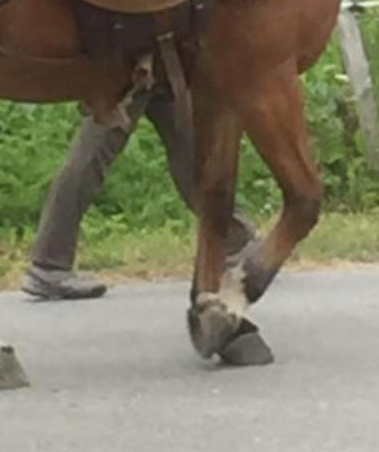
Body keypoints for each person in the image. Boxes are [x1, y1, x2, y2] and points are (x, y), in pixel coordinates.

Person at [24, 86, 257, 301]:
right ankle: (49, 263)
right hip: (132, 65)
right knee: (93, 154)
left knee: (189, 147)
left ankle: (236, 239)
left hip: (156, 59)